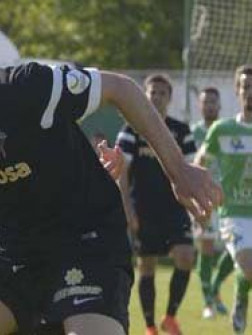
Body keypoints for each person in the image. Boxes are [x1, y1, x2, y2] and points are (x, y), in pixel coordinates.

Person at [0, 6, 221, 335]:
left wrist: (179, 171)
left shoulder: (23, 87)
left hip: (86, 248)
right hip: (13, 258)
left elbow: (120, 88)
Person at [115, 74, 197, 335]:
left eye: (162, 93)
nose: (157, 97)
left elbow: (193, 167)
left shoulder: (181, 130)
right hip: (143, 210)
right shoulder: (130, 131)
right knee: (146, 266)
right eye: (152, 92)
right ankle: (150, 326)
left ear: (169, 98)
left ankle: (170, 317)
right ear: (145, 96)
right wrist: (127, 209)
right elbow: (122, 172)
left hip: (175, 208)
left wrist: (195, 204)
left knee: (185, 256)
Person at [197, 64, 252, 334]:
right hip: (234, 215)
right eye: (245, 87)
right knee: (249, 265)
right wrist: (204, 194)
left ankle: (240, 297)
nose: (250, 92)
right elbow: (200, 163)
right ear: (237, 90)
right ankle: (239, 299)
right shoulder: (222, 129)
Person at [192, 86, 233, 319]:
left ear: (219, 106)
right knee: (206, 246)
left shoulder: (227, 131)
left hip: (229, 200)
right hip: (203, 198)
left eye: (213, 102)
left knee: (233, 249)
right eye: (205, 102)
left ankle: (216, 287)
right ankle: (208, 301)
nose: (209, 106)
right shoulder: (193, 132)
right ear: (200, 105)